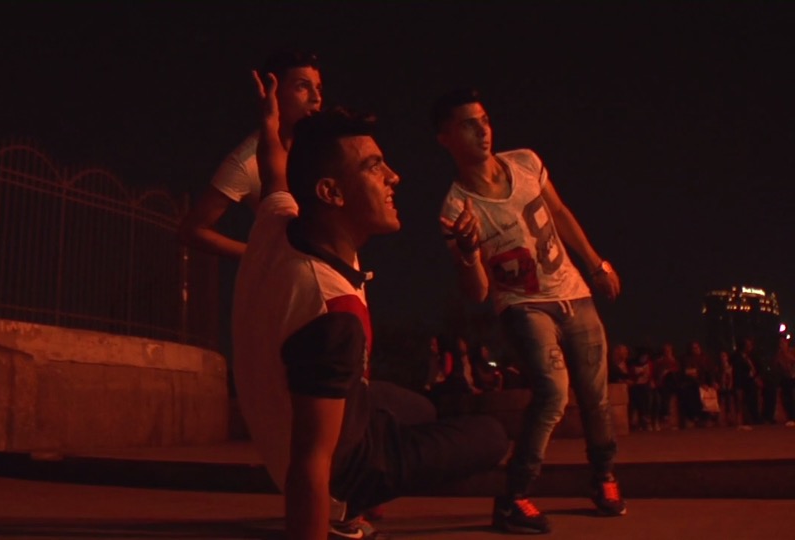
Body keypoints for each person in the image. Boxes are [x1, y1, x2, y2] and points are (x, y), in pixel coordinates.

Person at [232, 74, 509, 540]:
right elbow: (312, 461)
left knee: (417, 408)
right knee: (491, 435)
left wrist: (271, 124)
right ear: (331, 193)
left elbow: (274, 167)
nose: (394, 177)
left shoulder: (279, 219)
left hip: (285, 412)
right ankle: (346, 515)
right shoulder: (333, 313)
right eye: (374, 167)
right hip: (343, 471)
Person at [432, 87, 626, 533]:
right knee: (553, 391)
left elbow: (559, 212)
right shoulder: (456, 207)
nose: (483, 130)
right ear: (445, 138)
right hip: (523, 305)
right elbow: (477, 292)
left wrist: (596, 264)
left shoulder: (525, 162)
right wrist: (468, 252)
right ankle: (514, 495)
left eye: (484, 120)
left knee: (595, 396)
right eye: (468, 125)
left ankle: (604, 476)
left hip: (573, 293)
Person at [178, 48, 323, 258]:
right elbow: (191, 230)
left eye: (318, 88)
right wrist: (261, 256)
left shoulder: (323, 147)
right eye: (302, 86)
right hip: (293, 276)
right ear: (273, 91)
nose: (316, 98)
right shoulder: (248, 159)